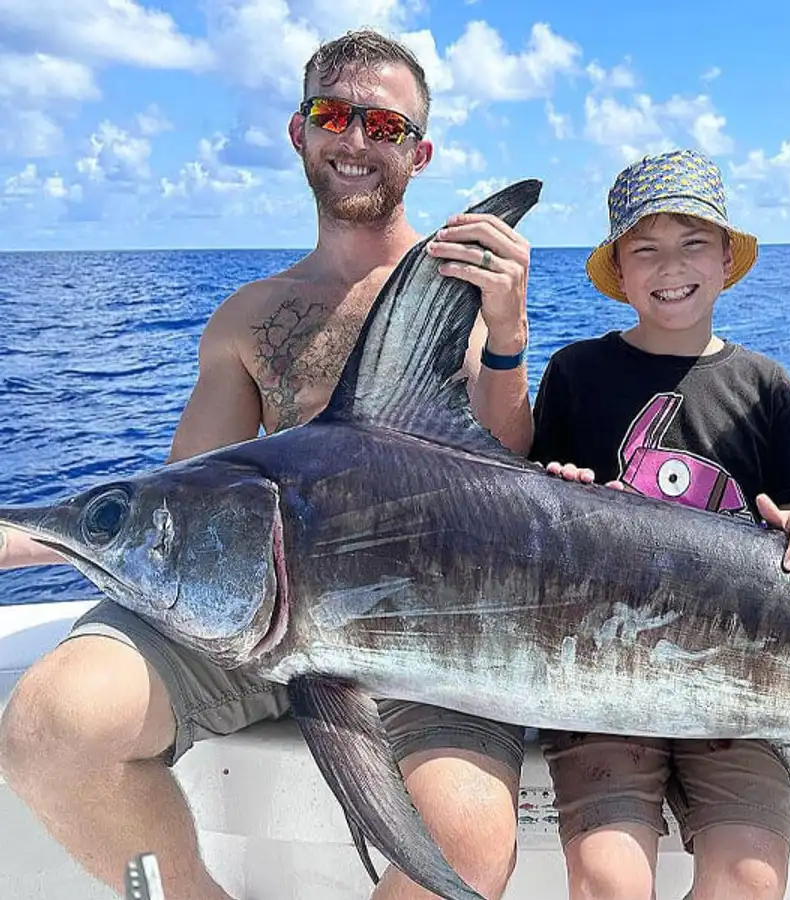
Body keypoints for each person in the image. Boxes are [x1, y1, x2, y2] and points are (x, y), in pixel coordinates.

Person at [0, 29, 534, 900]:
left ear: (419, 151)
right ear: (299, 132)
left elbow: (508, 481)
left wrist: (508, 343)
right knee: (49, 730)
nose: (356, 141)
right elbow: (180, 498)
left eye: (384, 126)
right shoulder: (249, 316)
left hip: (425, 622)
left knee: (466, 843)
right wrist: (32, 540)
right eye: (334, 115)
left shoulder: (462, 293)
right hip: (243, 616)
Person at [529, 148, 790, 900]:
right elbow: (540, 512)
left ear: (723, 260)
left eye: (691, 244)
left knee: (748, 880)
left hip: (740, 679)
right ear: (619, 267)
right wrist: (561, 491)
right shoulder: (575, 373)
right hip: (601, 670)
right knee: (610, 881)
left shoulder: (766, 385)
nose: (669, 266)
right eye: (645, 249)